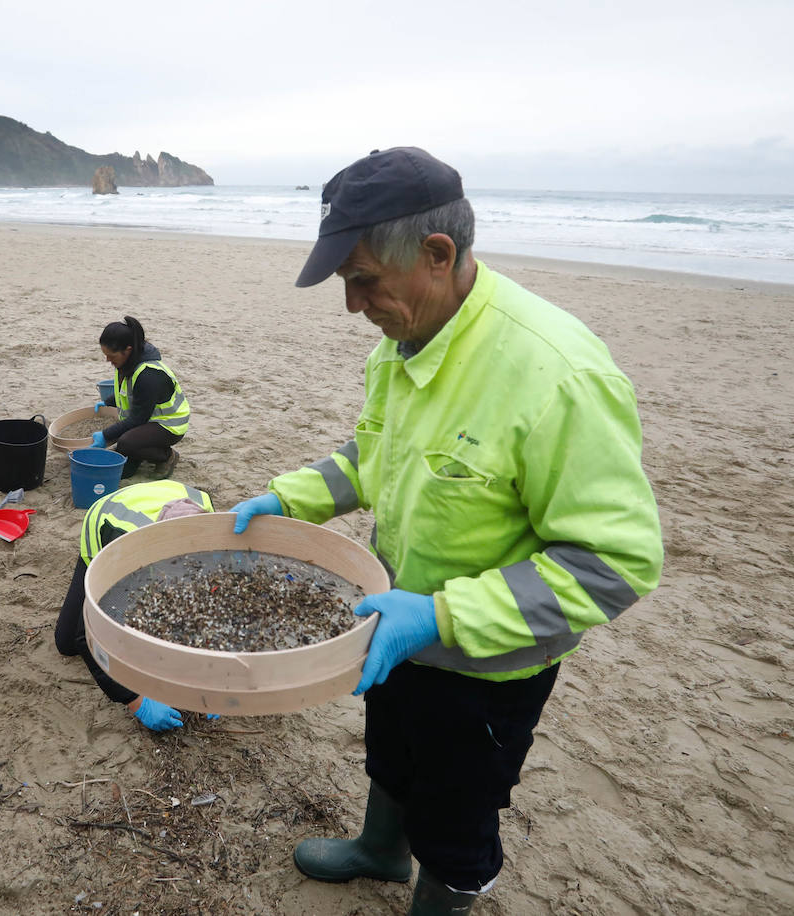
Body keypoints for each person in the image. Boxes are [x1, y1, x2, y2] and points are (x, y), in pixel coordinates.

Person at [230, 147, 663, 914]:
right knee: (392, 749)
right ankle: (379, 850)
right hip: (395, 615)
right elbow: (373, 454)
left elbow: (614, 562)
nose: (353, 305)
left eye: (364, 280)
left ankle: (441, 894)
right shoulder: (402, 346)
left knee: (459, 809)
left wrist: (443, 616)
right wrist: (286, 499)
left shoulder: (558, 373)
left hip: (489, 665)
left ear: (437, 255)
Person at [55, 480, 215, 731]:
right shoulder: (127, 556)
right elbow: (85, 634)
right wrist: (135, 701)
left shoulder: (211, 536)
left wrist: (212, 682)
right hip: (105, 525)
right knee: (65, 642)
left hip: (161, 499)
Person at [91, 316, 189, 479]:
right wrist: (108, 402)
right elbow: (127, 392)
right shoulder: (125, 362)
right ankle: (139, 449)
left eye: (112, 356)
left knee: (126, 443)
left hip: (170, 424)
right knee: (125, 469)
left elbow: (137, 419)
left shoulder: (148, 375)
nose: (108, 360)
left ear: (127, 350)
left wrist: (105, 435)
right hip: (148, 419)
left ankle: (166, 456)